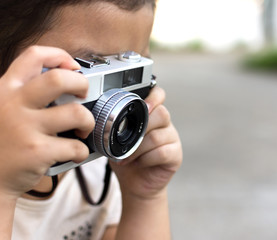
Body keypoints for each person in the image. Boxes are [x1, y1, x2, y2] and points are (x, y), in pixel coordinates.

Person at [0, 0, 183, 239]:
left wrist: (144, 198)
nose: (117, 103)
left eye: (129, 70)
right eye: (87, 71)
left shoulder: (96, 173)